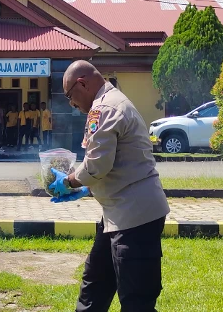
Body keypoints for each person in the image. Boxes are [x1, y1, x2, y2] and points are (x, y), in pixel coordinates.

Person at [47, 60, 170, 312]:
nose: (71, 104)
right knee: (94, 286)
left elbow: (97, 165)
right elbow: (116, 164)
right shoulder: (110, 103)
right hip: (116, 214)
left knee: (136, 301)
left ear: (82, 83)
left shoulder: (104, 108)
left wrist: (69, 181)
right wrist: (86, 188)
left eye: (70, 96)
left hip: (135, 218)